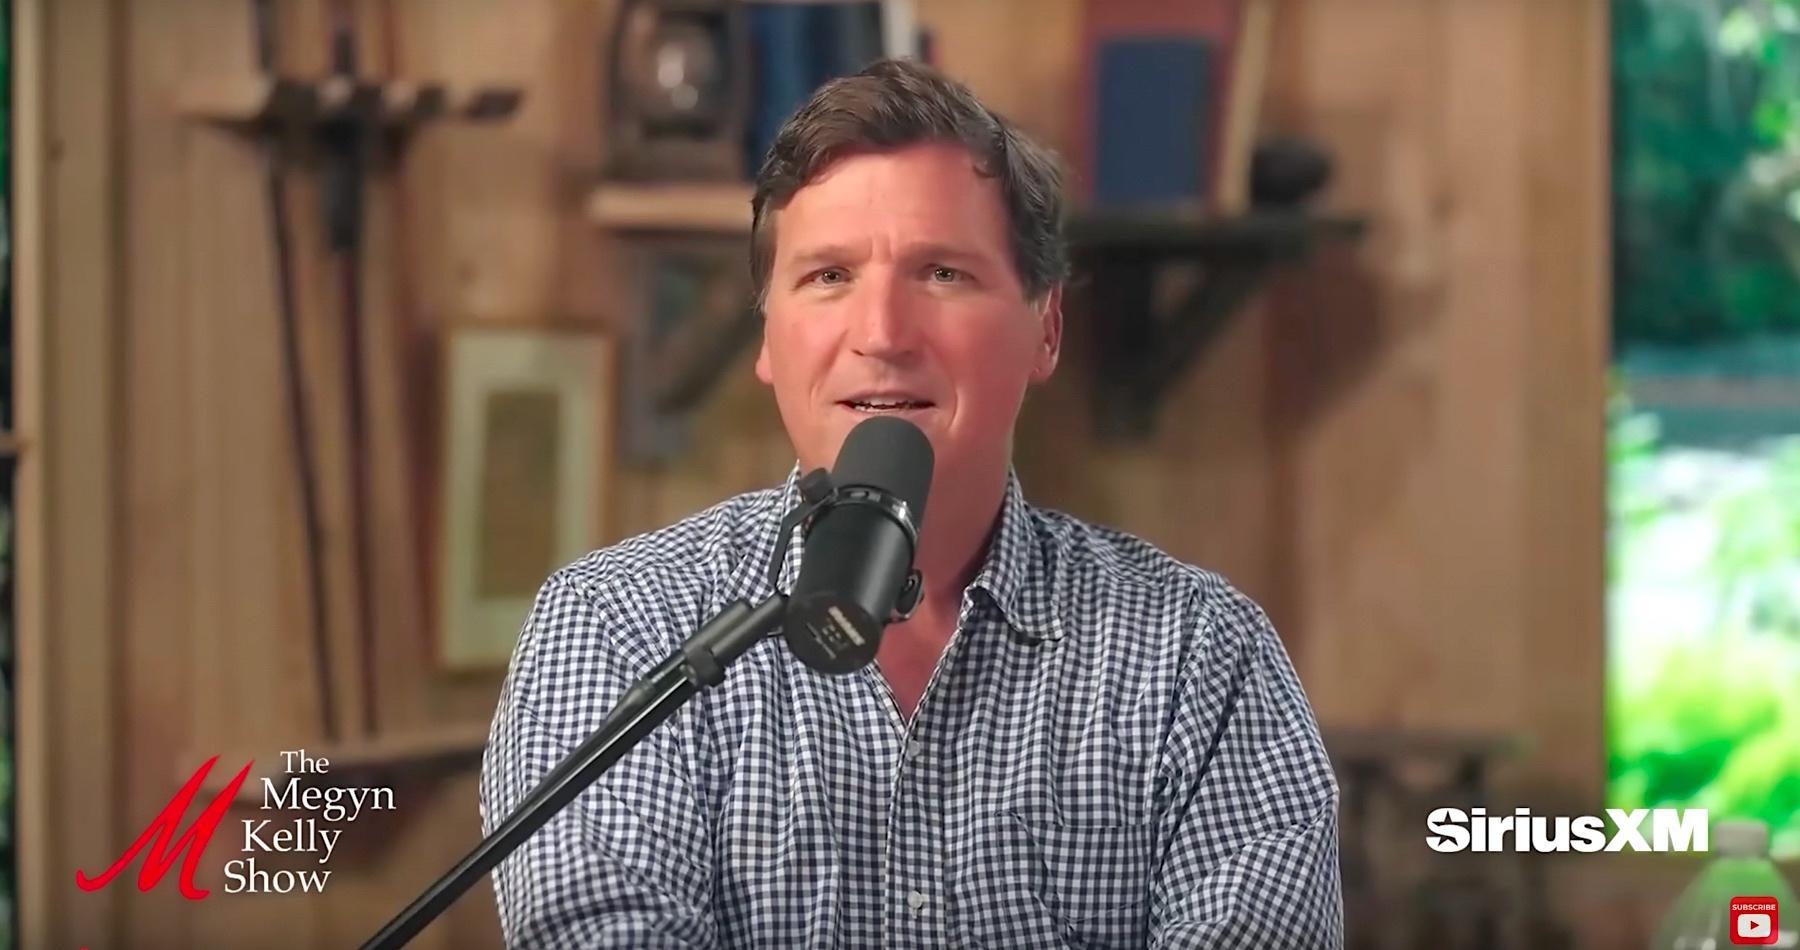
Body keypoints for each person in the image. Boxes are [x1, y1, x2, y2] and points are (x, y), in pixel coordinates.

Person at [480, 58, 1343, 948]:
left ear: (1045, 329)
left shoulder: (1199, 657)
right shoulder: (618, 628)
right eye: (828, 276)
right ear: (769, 336)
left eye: (941, 274)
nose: (883, 334)